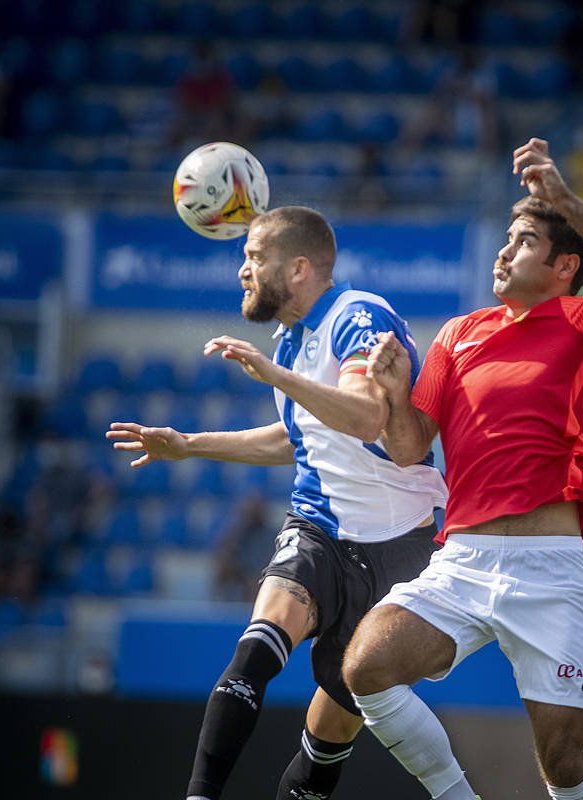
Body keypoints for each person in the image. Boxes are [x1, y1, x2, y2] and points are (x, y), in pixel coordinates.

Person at [342, 138, 583, 800]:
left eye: (520, 241)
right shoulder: (457, 334)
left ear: (565, 264)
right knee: (366, 664)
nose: (502, 251)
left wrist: (565, 199)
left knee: (567, 764)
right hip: (462, 560)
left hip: (551, 566)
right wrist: (396, 395)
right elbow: (407, 447)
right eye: (506, 239)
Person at [106, 206, 448, 800]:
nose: (242, 269)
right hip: (316, 527)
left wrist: (273, 376)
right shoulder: (290, 340)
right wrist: (190, 445)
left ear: (298, 269)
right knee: (257, 649)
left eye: (253, 256)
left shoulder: (356, 316)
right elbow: (298, 439)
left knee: (330, 728)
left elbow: (368, 416)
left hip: (400, 548)